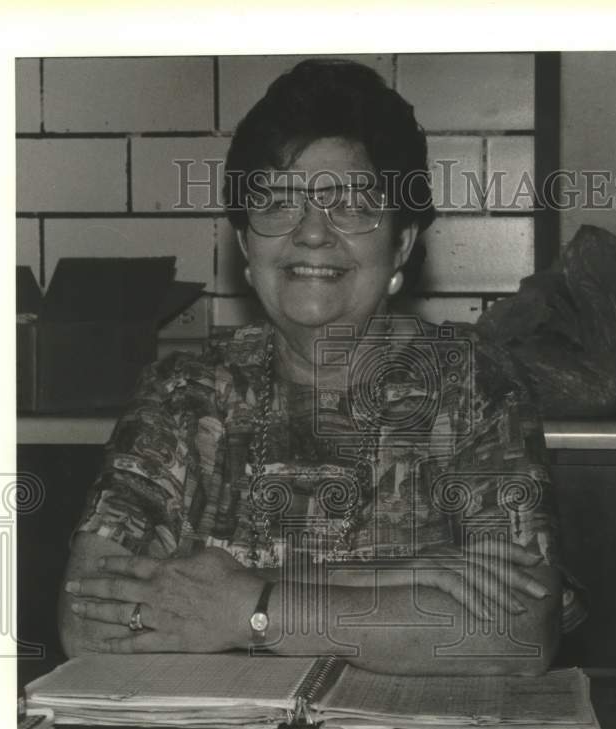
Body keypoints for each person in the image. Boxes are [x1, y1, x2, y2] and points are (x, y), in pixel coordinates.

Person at [58, 58, 586, 676]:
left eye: (353, 204)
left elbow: (519, 631)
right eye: (279, 202)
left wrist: (247, 607)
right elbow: (87, 622)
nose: (312, 232)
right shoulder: (184, 394)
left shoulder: (471, 387)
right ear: (246, 246)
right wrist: (389, 582)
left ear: (402, 244)